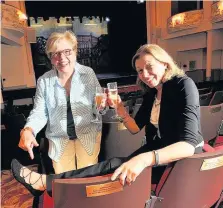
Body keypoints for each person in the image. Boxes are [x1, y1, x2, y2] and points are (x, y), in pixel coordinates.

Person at [11, 44, 204, 197]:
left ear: (165, 63)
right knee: (112, 165)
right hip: (160, 147)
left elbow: (189, 145)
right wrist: (120, 108)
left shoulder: (183, 85)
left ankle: (47, 183)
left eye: (149, 67)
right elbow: (135, 128)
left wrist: (144, 159)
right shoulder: (152, 93)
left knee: (114, 167)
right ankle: (51, 184)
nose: (144, 75)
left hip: (183, 158)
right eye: (139, 70)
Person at [18, 31, 102, 174]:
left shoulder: (88, 74)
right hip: (60, 139)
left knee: (88, 178)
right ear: (50, 58)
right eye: (55, 54)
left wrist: (103, 105)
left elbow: (98, 105)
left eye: (67, 51)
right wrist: (28, 129)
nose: (62, 58)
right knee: (65, 181)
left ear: (75, 52)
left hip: (88, 134)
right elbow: (39, 112)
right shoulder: (44, 81)